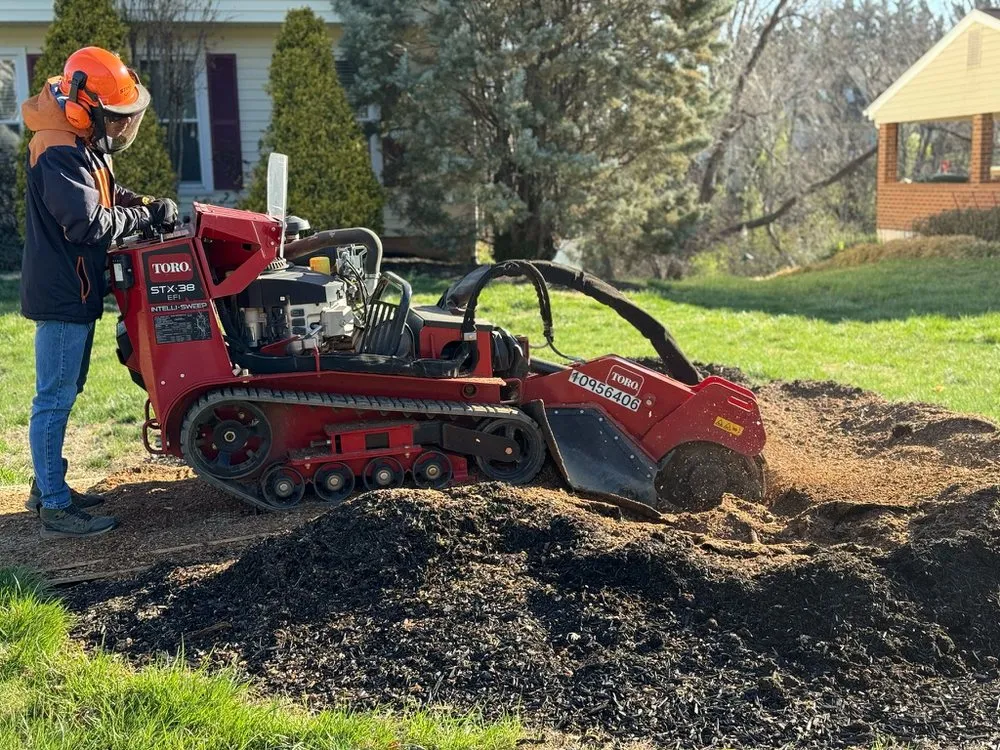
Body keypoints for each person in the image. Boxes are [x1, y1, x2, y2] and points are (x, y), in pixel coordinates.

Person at [21, 46, 177, 538]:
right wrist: (146, 219)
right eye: (115, 118)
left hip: (75, 288)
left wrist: (148, 203)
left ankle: (48, 485)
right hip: (64, 293)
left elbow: (106, 193)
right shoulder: (58, 149)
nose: (121, 128)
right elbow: (89, 222)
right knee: (54, 399)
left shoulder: (77, 141)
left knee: (63, 393)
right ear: (86, 107)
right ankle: (54, 507)